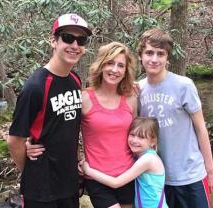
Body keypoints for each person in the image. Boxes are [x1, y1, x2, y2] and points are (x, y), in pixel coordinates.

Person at [26, 41, 138, 208]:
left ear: (125, 71)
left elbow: (137, 133)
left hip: (128, 175)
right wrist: (30, 142)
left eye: (120, 65)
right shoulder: (84, 98)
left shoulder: (131, 98)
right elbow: (61, 126)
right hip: (97, 176)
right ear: (101, 65)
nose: (115, 70)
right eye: (110, 63)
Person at [7, 13, 92, 208]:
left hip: (69, 182)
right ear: (53, 41)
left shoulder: (75, 80)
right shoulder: (35, 86)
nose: (75, 45)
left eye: (81, 40)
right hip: (41, 189)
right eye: (68, 38)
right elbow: (14, 139)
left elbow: (68, 128)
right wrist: (30, 169)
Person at [137, 28, 213, 208]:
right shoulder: (138, 89)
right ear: (141, 55)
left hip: (191, 175)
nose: (154, 59)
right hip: (158, 177)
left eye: (161, 54)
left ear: (167, 58)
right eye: (149, 52)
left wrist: (210, 170)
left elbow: (200, 128)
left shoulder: (184, 85)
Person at [81, 117, 168, 208]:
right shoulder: (141, 156)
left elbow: (116, 183)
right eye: (132, 135)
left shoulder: (148, 159)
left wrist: (88, 170)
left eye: (141, 137)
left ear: (153, 141)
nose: (134, 140)